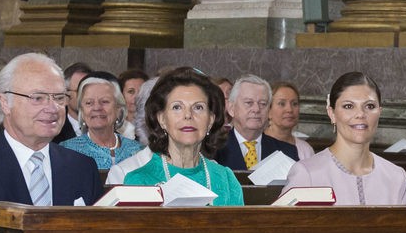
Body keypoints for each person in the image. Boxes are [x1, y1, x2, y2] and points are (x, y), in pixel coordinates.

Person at [0, 53, 103, 206]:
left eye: (59, 98)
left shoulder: (83, 168)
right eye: (38, 98)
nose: (53, 108)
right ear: (5, 102)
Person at [283, 72, 406, 205]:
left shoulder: (396, 177)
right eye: (348, 106)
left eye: (369, 106)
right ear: (332, 114)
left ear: (379, 113)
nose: (360, 114)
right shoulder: (307, 174)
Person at [123, 68, 243, 206]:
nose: (188, 115)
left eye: (198, 107)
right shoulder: (139, 181)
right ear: (162, 119)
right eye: (177, 107)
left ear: (210, 120)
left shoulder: (226, 179)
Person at [214, 74, 298, 171]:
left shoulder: (286, 152)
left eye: (263, 104)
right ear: (231, 108)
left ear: (269, 110)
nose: (256, 109)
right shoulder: (214, 149)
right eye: (249, 103)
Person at [61, 75, 143, 169]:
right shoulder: (67, 150)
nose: (97, 108)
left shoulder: (138, 151)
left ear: (118, 109)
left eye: (104, 101)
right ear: (82, 111)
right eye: (89, 103)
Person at [265, 81, 315, 161]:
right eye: (282, 104)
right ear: (269, 111)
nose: (289, 109)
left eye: (294, 104)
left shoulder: (306, 150)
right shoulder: (255, 146)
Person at [53, 62, 92, 143]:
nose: (88, 96)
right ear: (66, 95)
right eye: (80, 90)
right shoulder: (53, 134)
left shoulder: (109, 131)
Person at [117, 68, 149, 138]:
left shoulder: (155, 126)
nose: (137, 96)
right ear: (121, 95)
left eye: (141, 91)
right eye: (131, 91)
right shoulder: (113, 127)